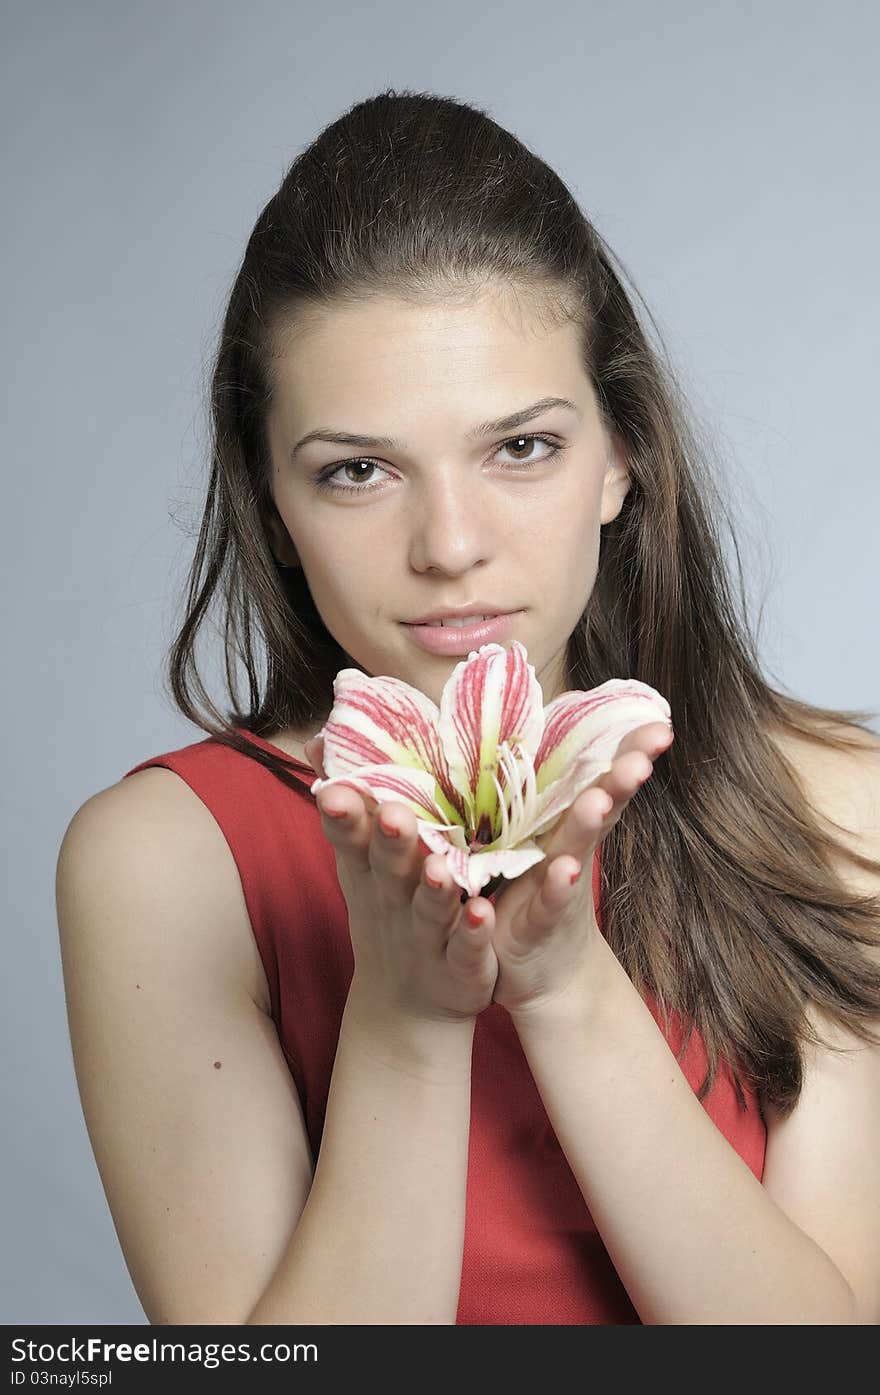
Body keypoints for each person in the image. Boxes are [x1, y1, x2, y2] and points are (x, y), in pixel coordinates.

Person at [55, 87, 880, 1327]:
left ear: (621, 455)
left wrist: (564, 987)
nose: (450, 546)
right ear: (272, 504)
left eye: (522, 448)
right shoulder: (166, 864)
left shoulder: (831, 808)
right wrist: (406, 1020)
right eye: (357, 470)